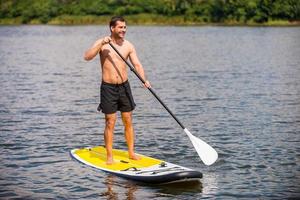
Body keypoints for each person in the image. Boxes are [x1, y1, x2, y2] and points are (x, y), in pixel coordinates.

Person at [84, 16, 151, 165]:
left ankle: (131, 152)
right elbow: (87, 57)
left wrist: (144, 79)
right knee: (110, 122)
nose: (123, 30)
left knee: (128, 120)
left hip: (124, 87)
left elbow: (137, 65)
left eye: (125, 27)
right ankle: (109, 155)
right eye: (120, 27)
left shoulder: (128, 45)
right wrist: (101, 43)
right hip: (108, 88)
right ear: (112, 28)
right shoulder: (102, 44)